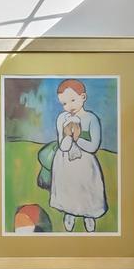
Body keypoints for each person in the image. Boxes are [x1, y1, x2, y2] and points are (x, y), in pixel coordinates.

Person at [46, 78, 108, 233]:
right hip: (65, 161)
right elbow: (63, 146)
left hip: (85, 162)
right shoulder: (62, 118)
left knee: (86, 187)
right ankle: (69, 212)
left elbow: (93, 146)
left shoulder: (91, 119)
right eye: (64, 103)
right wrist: (67, 135)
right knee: (69, 186)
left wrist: (77, 137)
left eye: (73, 100)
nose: (69, 106)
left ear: (83, 97)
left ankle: (89, 214)